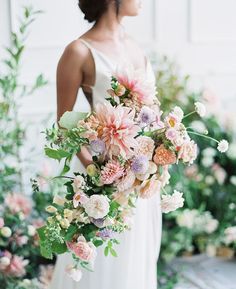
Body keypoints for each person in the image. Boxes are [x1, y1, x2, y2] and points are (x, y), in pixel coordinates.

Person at [50, 1, 162, 288]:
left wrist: (159, 155)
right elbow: (64, 126)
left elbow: (151, 114)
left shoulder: (136, 46)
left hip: (139, 178)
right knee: (99, 262)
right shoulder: (78, 51)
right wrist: (99, 175)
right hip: (100, 178)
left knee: (133, 260)